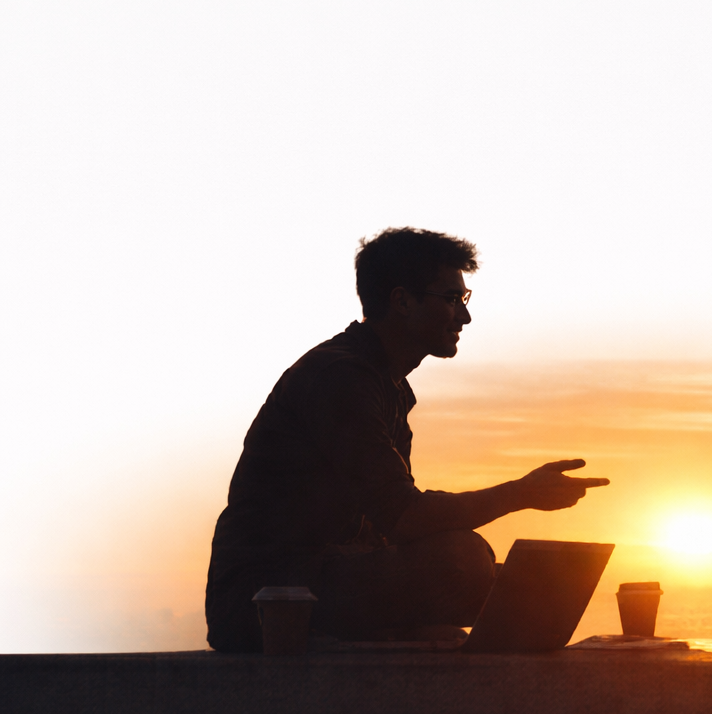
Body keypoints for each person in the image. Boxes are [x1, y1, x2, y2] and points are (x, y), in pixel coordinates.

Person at [204, 228, 609, 651]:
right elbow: (405, 517)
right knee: (464, 559)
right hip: (268, 602)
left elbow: (390, 529)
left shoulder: (387, 387)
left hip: (328, 576)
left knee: (533, 582)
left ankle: (399, 633)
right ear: (402, 301)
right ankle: (385, 634)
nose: (464, 317)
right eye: (452, 300)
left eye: (464, 300)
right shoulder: (339, 378)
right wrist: (520, 493)